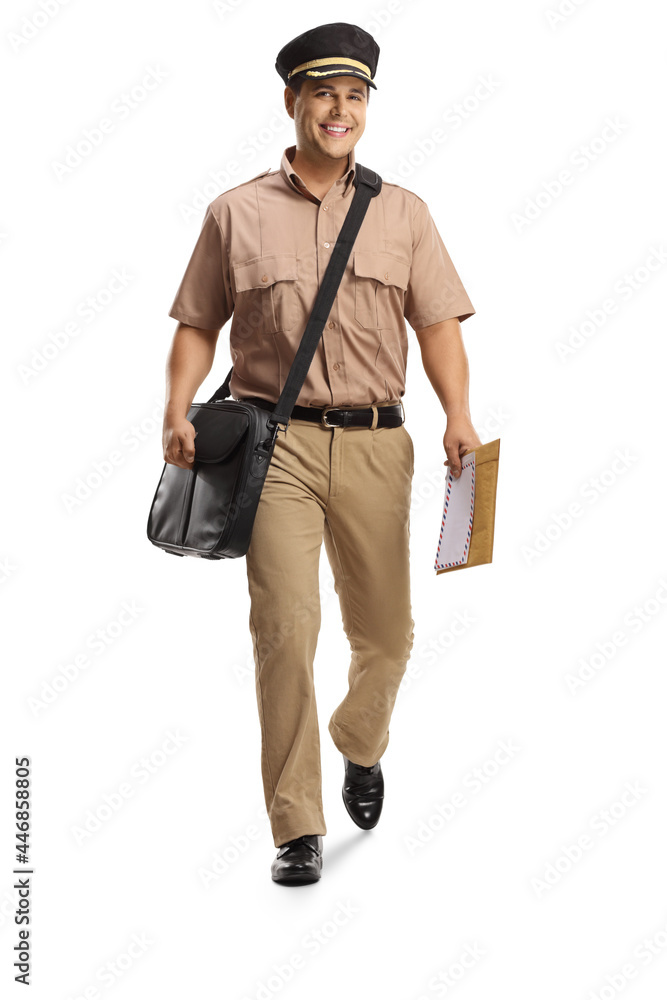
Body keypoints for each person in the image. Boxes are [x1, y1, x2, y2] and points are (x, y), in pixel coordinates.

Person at [162, 21, 482, 886]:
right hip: (276, 448)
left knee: (387, 634)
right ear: (292, 101)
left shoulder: (403, 211)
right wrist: (173, 405)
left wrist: (458, 413)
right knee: (284, 630)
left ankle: (359, 740)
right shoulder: (235, 210)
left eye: (354, 96)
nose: (338, 110)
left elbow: (437, 323)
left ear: (365, 108)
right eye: (322, 93)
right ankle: (296, 825)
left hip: (380, 445)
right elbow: (198, 322)